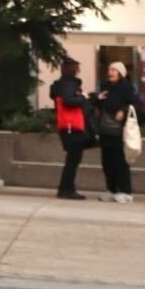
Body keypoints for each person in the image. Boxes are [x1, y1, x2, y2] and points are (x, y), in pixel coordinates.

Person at [95, 59, 136, 204]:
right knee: (107, 163)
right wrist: (98, 99)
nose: (110, 73)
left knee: (120, 162)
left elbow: (136, 104)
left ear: (120, 73)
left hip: (119, 132)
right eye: (109, 70)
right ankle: (110, 189)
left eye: (114, 70)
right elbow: (99, 107)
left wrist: (123, 110)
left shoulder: (126, 88)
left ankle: (124, 191)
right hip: (105, 131)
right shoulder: (105, 88)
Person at [51, 57, 92, 200]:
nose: (79, 70)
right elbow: (68, 101)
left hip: (68, 125)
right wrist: (83, 97)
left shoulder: (62, 83)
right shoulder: (68, 83)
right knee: (73, 160)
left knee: (72, 159)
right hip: (71, 125)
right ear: (72, 69)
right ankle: (67, 189)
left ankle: (65, 189)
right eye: (77, 68)